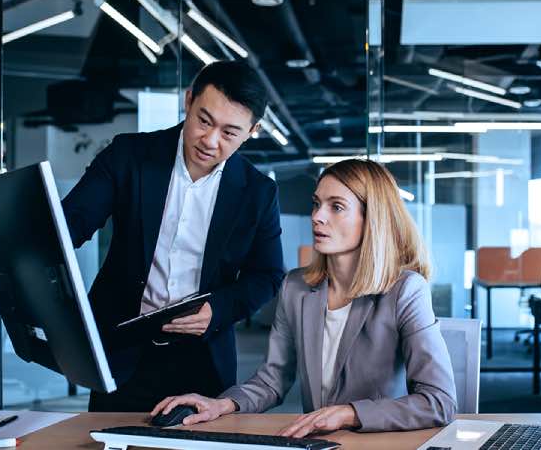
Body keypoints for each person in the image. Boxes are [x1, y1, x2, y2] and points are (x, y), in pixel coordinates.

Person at [151, 159, 458, 436]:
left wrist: (349, 414)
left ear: (372, 218)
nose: (317, 217)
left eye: (336, 207)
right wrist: (222, 404)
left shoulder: (405, 290)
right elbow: (272, 380)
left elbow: (439, 401)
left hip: (381, 443)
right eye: (316, 204)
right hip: (316, 444)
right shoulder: (296, 287)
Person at [61, 61, 285, 411]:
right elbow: (71, 224)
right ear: (189, 100)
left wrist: (218, 310)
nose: (210, 141)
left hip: (202, 359)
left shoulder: (258, 193)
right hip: (122, 352)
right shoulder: (128, 156)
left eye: (229, 133)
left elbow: (267, 276)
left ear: (252, 131)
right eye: (204, 121)